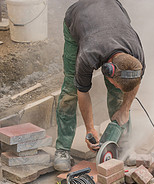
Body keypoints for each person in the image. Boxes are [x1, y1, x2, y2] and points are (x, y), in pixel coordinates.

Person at [54, 0, 145, 172]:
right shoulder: (88, 55)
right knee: (70, 91)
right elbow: (83, 91)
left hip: (113, 11)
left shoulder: (136, 57)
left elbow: (135, 82)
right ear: (107, 71)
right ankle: (62, 149)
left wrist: (125, 108)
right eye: (115, 83)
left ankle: (125, 143)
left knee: (119, 95)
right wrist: (90, 129)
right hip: (78, 18)